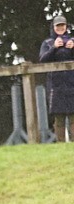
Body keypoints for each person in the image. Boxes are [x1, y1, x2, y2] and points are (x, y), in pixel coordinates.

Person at [40, 14, 74, 142]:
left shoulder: (72, 40)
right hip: (56, 86)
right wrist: (54, 48)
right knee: (59, 118)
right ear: (53, 27)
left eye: (62, 25)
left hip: (72, 84)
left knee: (73, 116)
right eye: (58, 26)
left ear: (66, 26)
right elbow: (43, 60)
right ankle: (60, 144)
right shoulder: (47, 43)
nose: (60, 28)